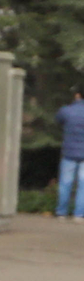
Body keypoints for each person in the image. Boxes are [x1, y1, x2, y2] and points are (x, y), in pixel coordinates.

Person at [59, 88, 84, 220]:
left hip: (69, 152)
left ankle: (62, 212)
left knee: (65, 183)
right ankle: (79, 214)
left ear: (77, 95)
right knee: (83, 185)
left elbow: (58, 120)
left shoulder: (66, 110)